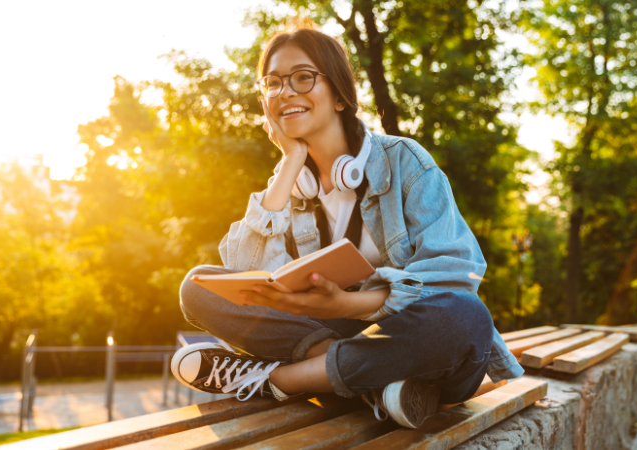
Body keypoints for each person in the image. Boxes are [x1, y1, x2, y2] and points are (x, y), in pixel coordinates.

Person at [171, 26, 523, 429]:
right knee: (197, 286)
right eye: (273, 83)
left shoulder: (405, 161)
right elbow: (241, 270)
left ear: (339, 95)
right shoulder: (290, 184)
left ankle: (278, 380)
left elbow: (456, 276)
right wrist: (288, 165)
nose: (285, 91)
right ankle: (374, 383)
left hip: (418, 342)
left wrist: (349, 305)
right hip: (346, 338)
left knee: (465, 316)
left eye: (303, 77)